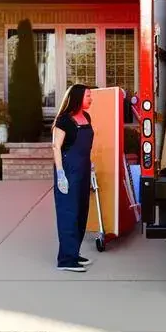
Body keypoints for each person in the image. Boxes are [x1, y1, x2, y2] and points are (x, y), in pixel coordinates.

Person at [51, 84, 95, 273]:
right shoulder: (63, 121)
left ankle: (74, 252)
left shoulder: (86, 117)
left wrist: (91, 167)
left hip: (83, 169)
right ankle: (66, 259)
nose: (91, 99)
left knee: (81, 211)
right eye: (88, 96)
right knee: (69, 213)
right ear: (78, 98)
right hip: (68, 170)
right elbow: (56, 147)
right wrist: (60, 173)